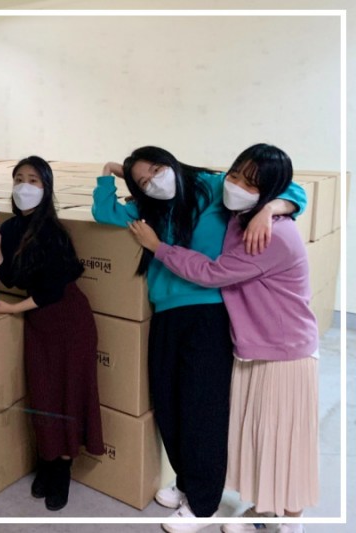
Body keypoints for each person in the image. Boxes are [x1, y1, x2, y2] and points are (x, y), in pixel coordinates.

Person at [92, 146, 306, 532]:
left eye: (157, 170)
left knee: (201, 410)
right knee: (168, 402)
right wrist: (108, 174)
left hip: (209, 313)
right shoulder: (147, 209)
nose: (153, 182)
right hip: (165, 312)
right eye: (142, 181)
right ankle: (186, 483)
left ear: (172, 163)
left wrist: (270, 209)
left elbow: (290, 189)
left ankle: (204, 505)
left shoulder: (213, 187)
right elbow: (103, 212)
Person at [0, 155, 103, 512]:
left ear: (46, 188)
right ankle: (48, 461)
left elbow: (52, 290)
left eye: (33, 180)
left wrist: (11, 309)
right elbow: (11, 278)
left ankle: (62, 471)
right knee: (42, 395)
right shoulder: (10, 228)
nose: (24, 186)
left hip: (69, 320)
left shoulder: (53, 232)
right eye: (18, 179)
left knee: (68, 396)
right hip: (39, 322)